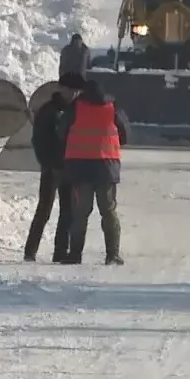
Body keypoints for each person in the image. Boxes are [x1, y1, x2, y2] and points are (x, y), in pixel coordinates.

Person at [58, 78, 130, 265]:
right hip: (106, 167)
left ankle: (75, 254)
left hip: (80, 168)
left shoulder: (75, 108)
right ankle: (112, 254)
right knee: (108, 211)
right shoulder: (112, 107)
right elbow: (125, 134)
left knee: (80, 213)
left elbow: (62, 131)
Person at [24, 72, 84, 262]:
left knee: (68, 211)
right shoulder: (48, 110)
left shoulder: (78, 110)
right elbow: (38, 140)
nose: (73, 94)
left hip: (70, 167)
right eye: (69, 90)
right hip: (51, 167)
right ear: (61, 89)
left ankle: (60, 251)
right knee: (44, 209)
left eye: (76, 91)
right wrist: (47, 162)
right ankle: (30, 251)